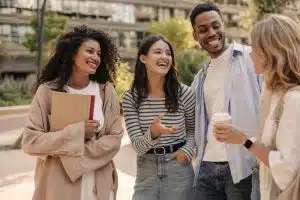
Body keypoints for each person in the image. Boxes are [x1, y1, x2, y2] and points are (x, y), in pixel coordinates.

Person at [22, 25, 124, 200]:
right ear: (72, 53)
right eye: (90, 51)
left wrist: (67, 152)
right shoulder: (47, 91)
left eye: (99, 54)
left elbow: (114, 139)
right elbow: (31, 141)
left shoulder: (106, 91)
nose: (95, 57)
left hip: (98, 184)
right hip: (58, 184)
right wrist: (78, 132)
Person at [213, 14, 300, 200]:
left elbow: (286, 171)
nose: (250, 54)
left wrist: (243, 140)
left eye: (254, 47)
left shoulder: (294, 101)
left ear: (269, 54)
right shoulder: (271, 91)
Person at [190, 2, 262, 200]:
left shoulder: (252, 58)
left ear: (224, 25)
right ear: (195, 36)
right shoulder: (200, 77)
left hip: (243, 167)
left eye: (216, 25)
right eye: (203, 30)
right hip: (206, 167)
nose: (211, 33)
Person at [122, 35, 195, 200]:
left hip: (178, 168)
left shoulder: (184, 93)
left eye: (168, 53)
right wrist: (153, 133)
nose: (164, 57)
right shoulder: (130, 98)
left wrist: (187, 151)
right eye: (157, 52)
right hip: (146, 169)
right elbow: (138, 147)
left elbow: (194, 131)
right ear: (143, 58)